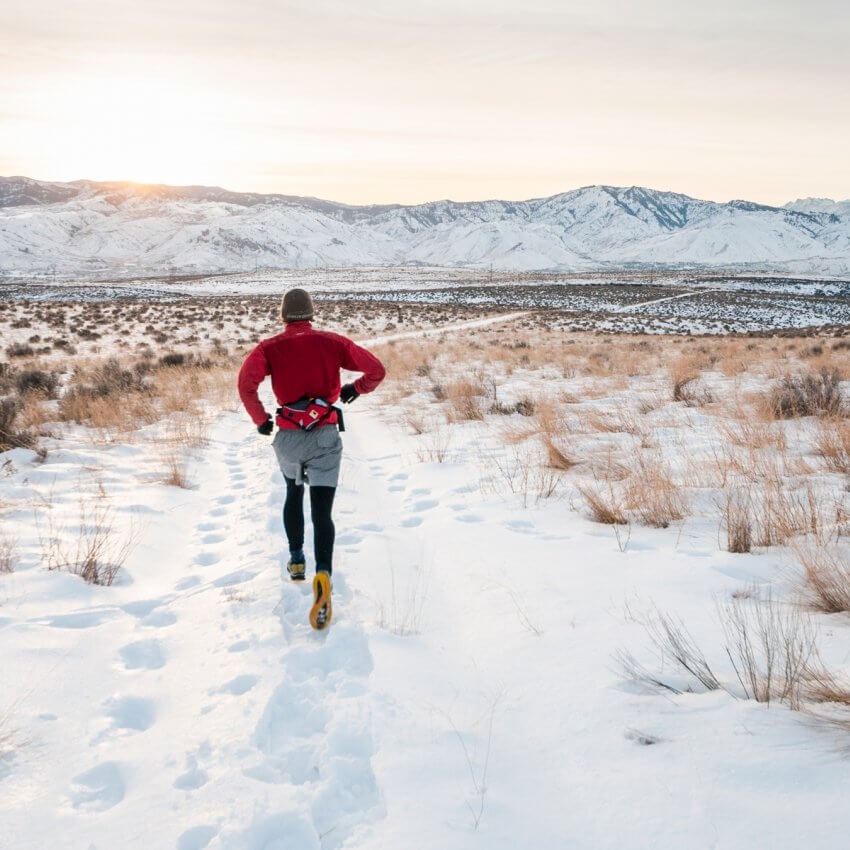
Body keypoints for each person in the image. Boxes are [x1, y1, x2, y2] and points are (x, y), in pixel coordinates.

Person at [237, 288, 385, 629]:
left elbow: (246, 385)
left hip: (289, 437)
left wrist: (261, 420)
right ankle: (324, 577)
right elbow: (376, 369)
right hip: (325, 435)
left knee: (292, 494)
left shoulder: (269, 348)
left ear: (284, 316)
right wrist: (354, 389)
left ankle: (296, 560)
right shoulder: (332, 343)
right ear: (311, 314)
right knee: (322, 512)